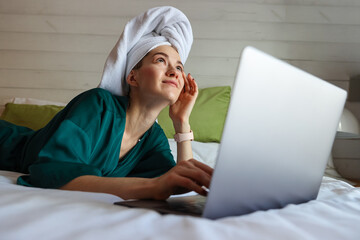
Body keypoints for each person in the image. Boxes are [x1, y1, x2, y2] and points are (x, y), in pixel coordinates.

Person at [0, 6, 212, 200]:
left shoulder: (152, 138)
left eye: (179, 67)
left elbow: (181, 181)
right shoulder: (98, 106)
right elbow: (50, 173)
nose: (174, 72)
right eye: (160, 60)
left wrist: (182, 122)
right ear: (132, 77)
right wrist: (153, 187)